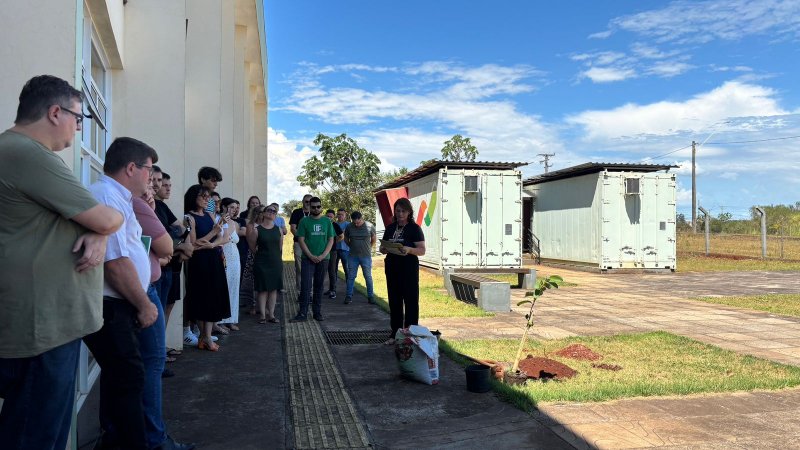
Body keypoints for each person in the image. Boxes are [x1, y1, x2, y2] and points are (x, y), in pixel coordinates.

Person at [0, 74, 123, 450]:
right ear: (56, 113)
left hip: (42, 322)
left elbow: (98, 221)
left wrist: (101, 232)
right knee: (36, 435)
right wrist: (103, 228)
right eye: (78, 117)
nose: (79, 127)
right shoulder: (27, 154)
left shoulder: (17, 151)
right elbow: (107, 217)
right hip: (41, 327)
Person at [84, 136, 193, 450]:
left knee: (125, 379)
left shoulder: (121, 197)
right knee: (131, 378)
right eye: (148, 170)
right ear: (131, 168)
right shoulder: (107, 196)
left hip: (122, 301)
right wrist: (144, 304)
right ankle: (141, 442)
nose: (152, 179)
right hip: (116, 303)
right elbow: (115, 263)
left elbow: (133, 248)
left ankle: (124, 439)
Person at [132, 184, 192, 450]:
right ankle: (154, 439)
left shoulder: (141, 204)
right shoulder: (130, 202)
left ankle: (137, 435)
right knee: (150, 362)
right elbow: (168, 243)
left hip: (147, 284)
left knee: (143, 362)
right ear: (131, 169)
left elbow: (175, 238)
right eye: (150, 176)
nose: (153, 186)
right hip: (141, 290)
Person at [183, 184, 231, 351]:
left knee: (213, 297)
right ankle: (205, 337)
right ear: (193, 197)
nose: (206, 200)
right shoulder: (189, 217)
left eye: (207, 197)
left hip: (213, 258)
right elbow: (193, 244)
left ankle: (206, 336)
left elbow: (223, 238)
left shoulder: (210, 215)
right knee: (202, 298)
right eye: (203, 196)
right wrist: (212, 233)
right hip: (199, 262)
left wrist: (211, 244)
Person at [379, 198, 426, 345]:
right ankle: (395, 334)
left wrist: (409, 249)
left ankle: (410, 335)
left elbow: (422, 250)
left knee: (411, 301)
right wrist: (384, 248)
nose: (400, 214)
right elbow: (382, 247)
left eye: (403, 211)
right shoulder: (390, 228)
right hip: (392, 268)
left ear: (409, 212)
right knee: (394, 302)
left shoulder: (414, 228)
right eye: (398, 211)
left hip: (408, 269)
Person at [290, 197, 335, 322]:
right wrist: (310, 255)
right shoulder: (304, 221)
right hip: (307, 259)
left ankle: (317, 313)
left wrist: (322, 255)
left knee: (319, 286)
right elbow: (301, 239)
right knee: (305, 286)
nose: (316, 209)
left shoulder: (327, 221)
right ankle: (302, 313)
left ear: (321, 207)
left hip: (323, 259)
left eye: (318, 206)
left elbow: (331, 239)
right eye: (313, 207)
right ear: (309, 207)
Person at [247, 205, 284, 323]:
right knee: (262, 289)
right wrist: (262, 255)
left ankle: (271, 315)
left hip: (275, 262)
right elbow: (252, 247)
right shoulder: (256, 230)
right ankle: (263, 315)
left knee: (273, 289)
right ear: (263, 213)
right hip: (261, 263)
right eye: (269, 210)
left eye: (274, 211)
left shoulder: (279, 229)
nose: (272, 212)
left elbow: (280, 247)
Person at [218, 198, 242, 331]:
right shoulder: (219, 220)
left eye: (235, 207)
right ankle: (220, 320)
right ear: (224, 207)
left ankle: (231, 319)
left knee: (234, 287)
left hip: (235, 258)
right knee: (224, 287)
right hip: (224, 256)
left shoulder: (235, 224)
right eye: (231, 207)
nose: (234, 210)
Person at [344, 211, 376, 305]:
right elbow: (346, 238)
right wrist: (351, 246)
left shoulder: (370, 226)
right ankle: (348, 296)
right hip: (352, 256)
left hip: (366, 256)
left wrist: (369, 248)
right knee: (351, 277)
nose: (356, 224)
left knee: (368, 276)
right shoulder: (349, 226)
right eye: (354, 223)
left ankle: (370, 296)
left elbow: (373, 239)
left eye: (358, 222)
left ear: (361, 218)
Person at [289, 194, 312, 292]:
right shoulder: (297, 212)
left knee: (311, 268)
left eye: (310, 202)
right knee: (299, 268)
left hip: (311, 244)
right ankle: (300, 291)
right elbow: (293, 228)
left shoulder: (314, 213)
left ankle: (309, 291)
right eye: (306, 201)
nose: (308, 203)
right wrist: (301, 239)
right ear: (302, 201)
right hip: (298, 243)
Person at [325, 209, 345, 299]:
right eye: (327, 216)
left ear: (333, 217)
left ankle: (333, 290)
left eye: (331, 217)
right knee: (321, 271)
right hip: (321, 251)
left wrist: (334, 242)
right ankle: (322, 289)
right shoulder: (322, 224)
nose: (329, 218)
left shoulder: (335, 225)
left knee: (332, 271)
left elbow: (341, 236)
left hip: (332, 251)